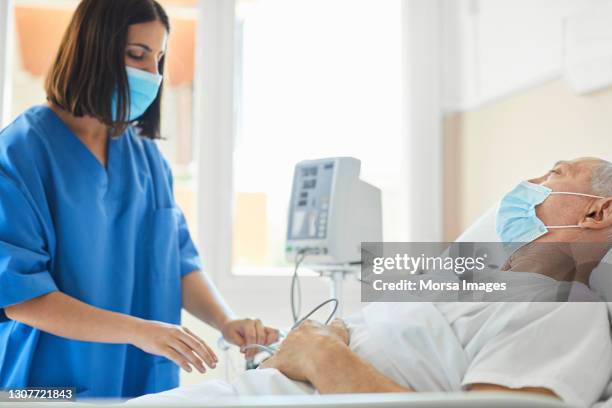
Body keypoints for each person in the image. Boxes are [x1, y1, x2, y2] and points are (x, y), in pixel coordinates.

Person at [129, 157, 612, 408]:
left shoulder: (567, 311)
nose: (529, 181)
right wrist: (311, 344)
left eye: (554, 173)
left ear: (597, 211)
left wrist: (321, 353)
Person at [0, 0, 277, 399]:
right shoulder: (22, 153)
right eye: (137, 55)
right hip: (46, 388)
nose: (152, 73)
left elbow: (179, 263)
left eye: (158, 59)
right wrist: (139, 331)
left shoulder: (147, 158)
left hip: (140, 384)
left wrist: (226, 321)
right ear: (92, 50)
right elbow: (22, 298)